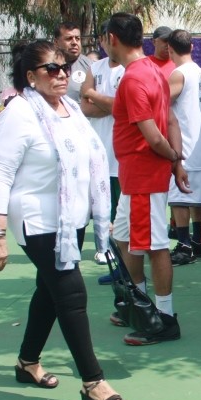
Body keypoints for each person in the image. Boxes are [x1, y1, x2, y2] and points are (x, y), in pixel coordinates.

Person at [0, 40, 128, 400]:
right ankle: (93, 382)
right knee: (70, 292)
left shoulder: (69, 109)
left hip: (70, 218)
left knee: (49, 291)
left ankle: (27, 362)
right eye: (52, 68)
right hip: (36, 219)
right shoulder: (19, 113)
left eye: (64, 67)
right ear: (31, 76)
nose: (62, 73)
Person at [104, 12, 188, 345]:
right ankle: (138, 305)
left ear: (112, 39)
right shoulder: (154, 71)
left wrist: (172, 160)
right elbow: (170, 121)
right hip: (136, 176)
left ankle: (163, 319)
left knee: (154, 247)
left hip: (143, 176)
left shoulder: (135, 78)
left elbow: (155, 136)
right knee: (125, 239)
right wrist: (176, 162)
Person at [166, 29, 201, 266]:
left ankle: (184, 246)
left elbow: (162, 102)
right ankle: (199, 243)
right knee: (197, 198)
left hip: (184, 143)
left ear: (169, 49)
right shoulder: (199, 71)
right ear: (192, 47)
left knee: (179, 198)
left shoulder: (179, 73)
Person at [80, 21, 125, 267]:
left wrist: (97, 98)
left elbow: (121, 108)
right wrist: (108, 104)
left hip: (119, 154)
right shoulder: (95, 67)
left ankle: (124, 256)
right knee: (99, 206)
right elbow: (84, 104)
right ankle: (104, 248)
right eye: (108, 38)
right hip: (97, 152)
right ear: (103, 39)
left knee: (121, 208)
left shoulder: (128, 70)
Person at [53, 21, 92, 103]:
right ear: (56, 42)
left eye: (77, 38)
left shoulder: (91, 67)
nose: (74, 42)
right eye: (69, 38)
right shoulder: (48, 66)